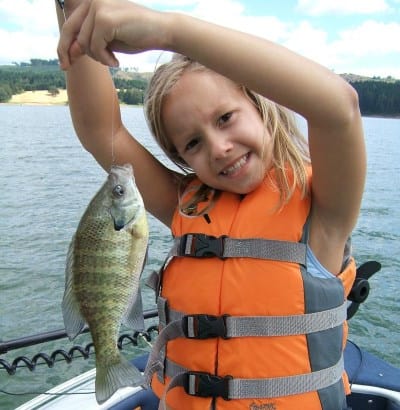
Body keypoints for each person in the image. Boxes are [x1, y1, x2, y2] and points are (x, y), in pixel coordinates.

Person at [56, 1, 366, 409]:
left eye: (225, 118)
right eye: (193, 144)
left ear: (259, 104)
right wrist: (78, 10)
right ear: (183, 159)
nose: (219, 149)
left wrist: (168, 31)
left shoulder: (325, 210)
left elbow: (338, 108)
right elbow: (102, 131)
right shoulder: (184, 205)